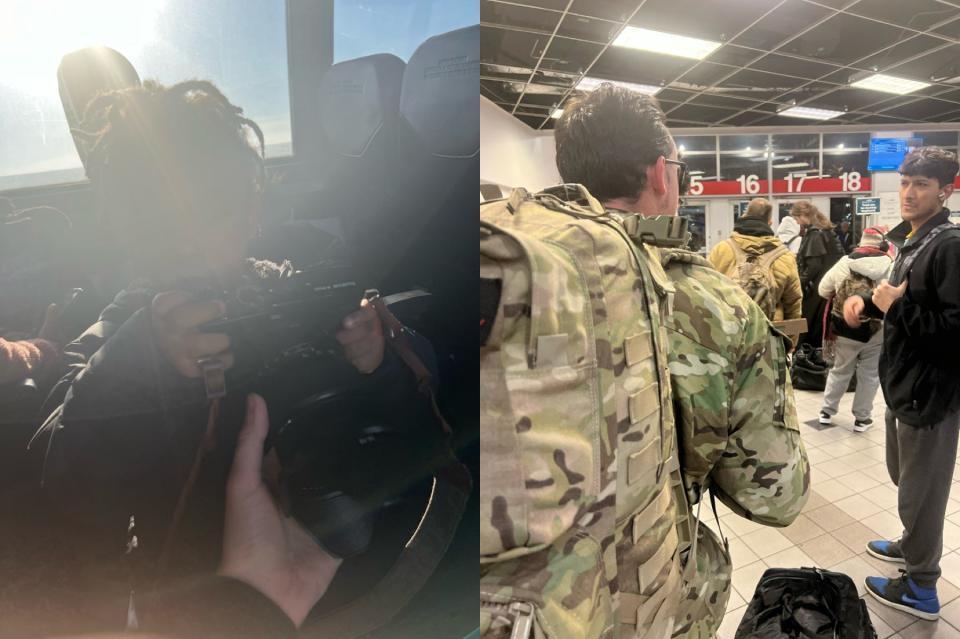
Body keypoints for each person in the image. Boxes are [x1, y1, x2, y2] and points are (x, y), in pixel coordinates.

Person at [24, 80, 434, 636]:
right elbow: (59, 473)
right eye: (159, 212)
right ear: (131, 232)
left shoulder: (290, 293)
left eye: (212, 201)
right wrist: (136, 363)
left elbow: (409, 426)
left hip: (345, 560)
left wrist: (377, 361)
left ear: (250, 207)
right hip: (206, 594)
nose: (188, 231)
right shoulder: (125, 327)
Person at [487, 83, 807, 638]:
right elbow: (777, 495)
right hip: (648, 602)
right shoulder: (722, 306)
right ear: (663, 173)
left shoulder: (525, 269)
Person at [840, 147, 960, 621]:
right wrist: (868, 307)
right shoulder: (914, 240)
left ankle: (921, 586)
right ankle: (911, 545)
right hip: (903, 385)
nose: (909, 193)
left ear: (946, 190)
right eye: (905, 182)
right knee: (903, 478)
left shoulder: (950, 247)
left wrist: (894, 308)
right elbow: (903, 300)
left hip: (930, 395)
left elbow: (954, 333)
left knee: (921, 492)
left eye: (922, 185)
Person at [816, 227, 892, 432]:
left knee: (840, 370)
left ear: (861, 243)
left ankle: (826, 412)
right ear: (882, 244)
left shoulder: (844, 262)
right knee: (869, 374)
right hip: (876, 329)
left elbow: (823, 289)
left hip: (845, 326)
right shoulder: (890, 264)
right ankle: (862, 419)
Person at [707, 197, 802, 322]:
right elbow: (793, 303)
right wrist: (789, 340)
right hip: (769, 333)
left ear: (744, 216)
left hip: (729, 331)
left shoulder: (721, 250)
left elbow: (707, 292)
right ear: (770, 223)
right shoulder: (785, 257)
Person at [794, 201, 844, 347]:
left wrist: (798, 284)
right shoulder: (826, 231)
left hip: (815, 290)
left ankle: (805, 358)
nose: (797, 222)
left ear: (803, 215)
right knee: (820, 327)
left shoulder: (815, 234)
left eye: (796, 218)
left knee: (807, 328)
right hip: (828, 286)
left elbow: (813, 266)